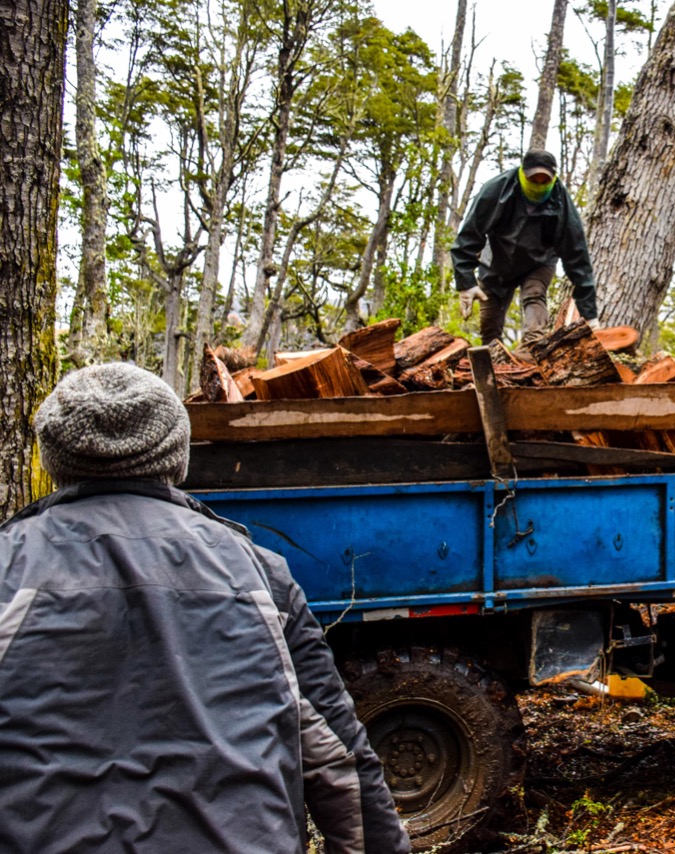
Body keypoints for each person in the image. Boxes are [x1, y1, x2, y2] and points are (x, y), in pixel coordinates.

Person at [0, 363, 410, 853]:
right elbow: (340, 762)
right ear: (177, 456)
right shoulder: (259, 574)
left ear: (54, 460)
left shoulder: (8, 569)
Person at [451, 149, 600, 343]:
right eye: (533, 180)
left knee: (535, 295)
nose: (538, 185)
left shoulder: (561, 201)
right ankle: (492, 361)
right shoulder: (496, 190)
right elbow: (470, 234)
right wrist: (466, 282)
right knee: (489, 328)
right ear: (522, 174)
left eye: (544, 181)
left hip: (539, 261)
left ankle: (533, 347)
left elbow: (577, 256)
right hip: (497, 261)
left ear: (553, 180)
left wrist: (590, 315)